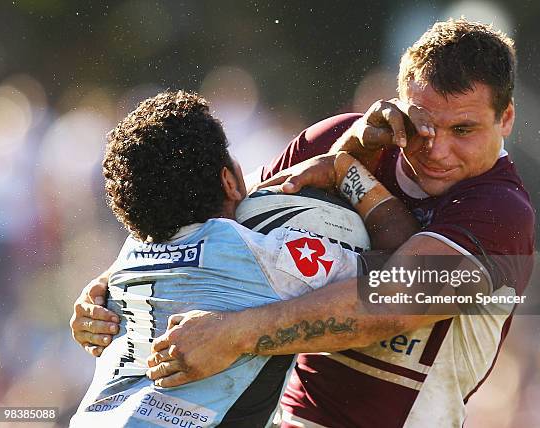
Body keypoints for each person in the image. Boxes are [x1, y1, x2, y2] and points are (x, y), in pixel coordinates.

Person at [72, 19, 535, 427]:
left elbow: (393, 303)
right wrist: (109, 288)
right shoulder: (337, 137)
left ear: (507, 118)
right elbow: (215, 216)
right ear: (401, 101)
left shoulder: (501, 211)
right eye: (423, 126)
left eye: (464, 131)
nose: (436, 150)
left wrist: (236, 334)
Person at [69, 90, 417, 427]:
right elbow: (418, 282)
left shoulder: (124, 262)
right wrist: (346, 171)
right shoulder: (260, 255)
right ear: (229, 182)